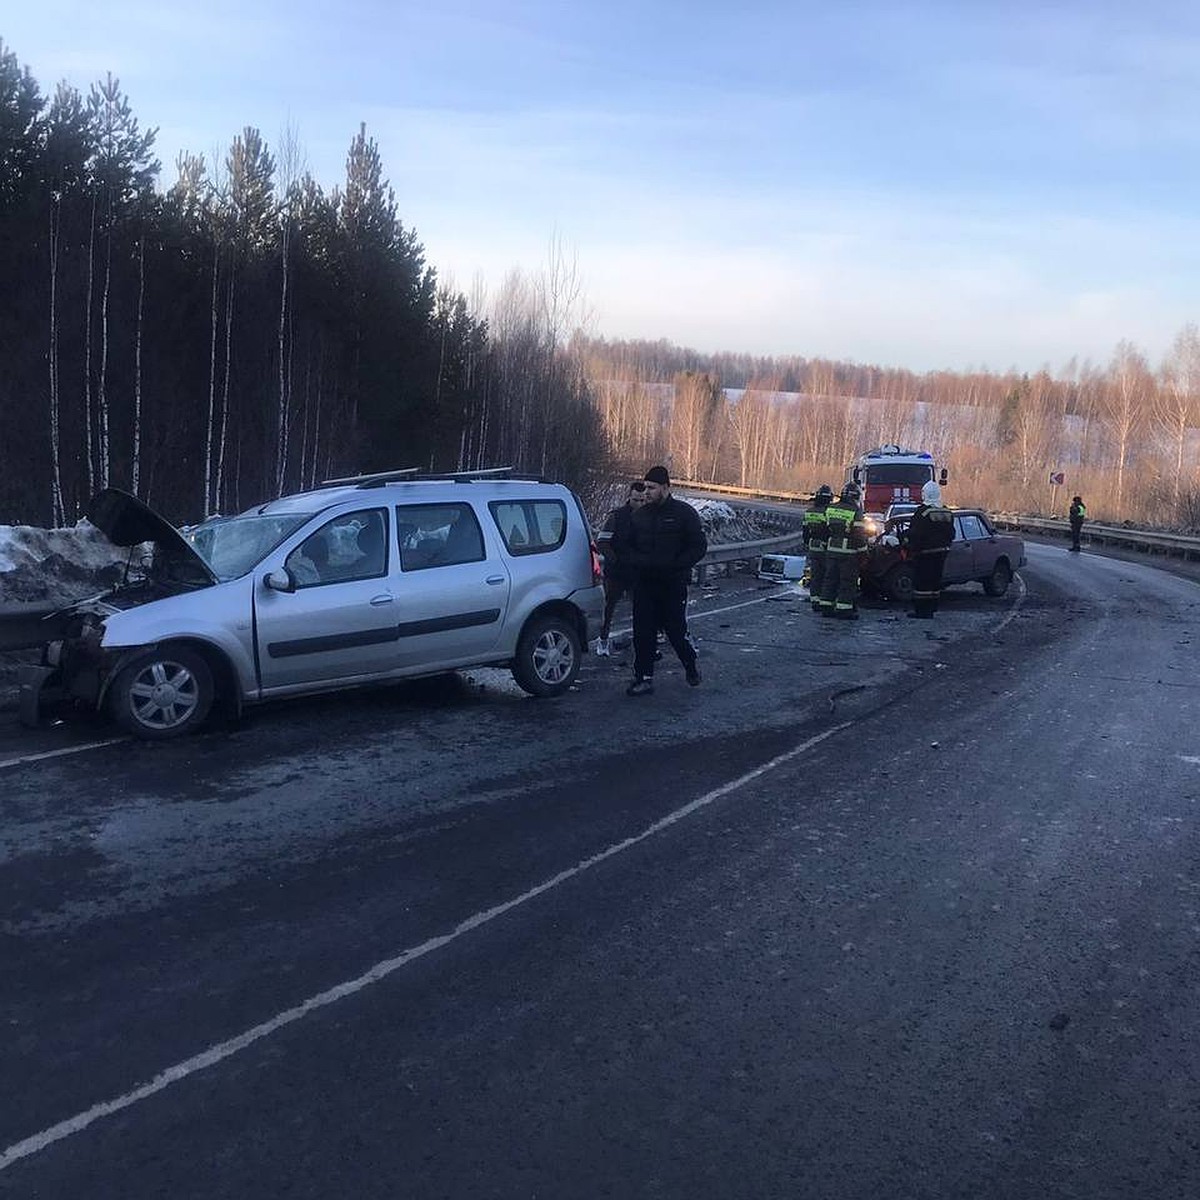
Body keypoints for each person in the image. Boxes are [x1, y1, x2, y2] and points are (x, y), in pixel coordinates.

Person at [614, 465, 707, 695]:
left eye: (652, 488)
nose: (646, 492)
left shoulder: (684, 514)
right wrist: (634, 564)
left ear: (665, 488)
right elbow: (625, 546)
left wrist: (678, 565)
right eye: (645, 487)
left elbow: (698, 546)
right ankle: (643, 677)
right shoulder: (639, 516)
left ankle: (690, 665)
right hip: (645, 584)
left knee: (675, 631)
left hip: (672, 584)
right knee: (643, 632)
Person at [593, 480, 648, 655]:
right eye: (635, 500)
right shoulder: (616, 516)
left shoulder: (648, 517)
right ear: (629, 497)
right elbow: (602, 542)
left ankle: (644, 643)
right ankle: (602, 641)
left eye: (642, 500)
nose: (638, 504)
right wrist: (615, 560)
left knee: (641, 609)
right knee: (608, 609)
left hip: (637, 572)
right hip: (616, 573)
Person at [901, 480, 956, 618]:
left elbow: (916, 534)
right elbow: (952, 533)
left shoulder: (923, 512)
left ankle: (921, 610)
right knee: (935, 581)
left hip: (925, 554)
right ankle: (932, 608)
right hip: (942, 552)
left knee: (922, 582)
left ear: (924, 494)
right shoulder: (947, 512)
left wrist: (907, 543)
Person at [818, 482, 868, 619]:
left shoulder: (830, 509)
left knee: (830, 580)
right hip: (849, 554)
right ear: (855, 497)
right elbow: (859, 535)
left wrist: (825, 547)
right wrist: (864, 553)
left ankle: (826, 607)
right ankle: (844, 609)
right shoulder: (855, 511)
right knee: (847, 582)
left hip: (831, 551)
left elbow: (823, 531)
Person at [803, 484, 835, 613]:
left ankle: (815, 600)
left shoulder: (809, 512)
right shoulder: (828, 512)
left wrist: (809, 543)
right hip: (826, 548)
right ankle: (825, 601)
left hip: (813, 548)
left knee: (816, 576)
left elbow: (805, 532)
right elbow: (830, 531)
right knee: (828, 576)